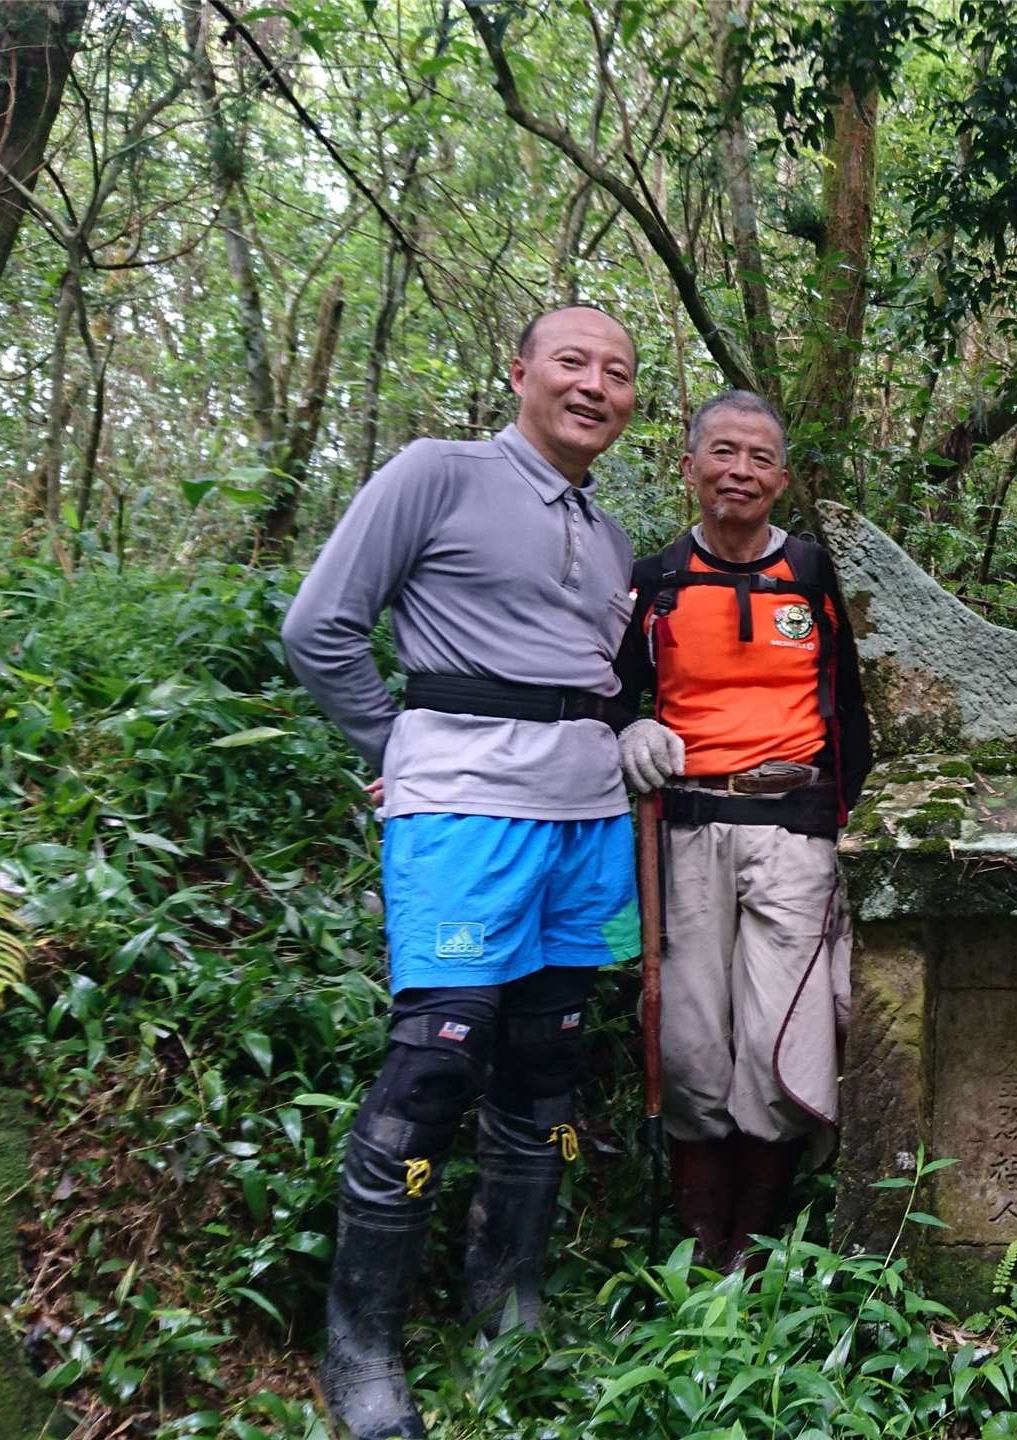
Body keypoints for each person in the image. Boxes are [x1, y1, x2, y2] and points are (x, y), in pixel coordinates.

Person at [281, 304, 642, 1440]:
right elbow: (319, 627)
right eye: (572, 361)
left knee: (550, 1059)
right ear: (521, 371)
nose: (594, 385)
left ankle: (506, 1302)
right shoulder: (436, 473)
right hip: (466, 814)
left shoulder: (611, 533)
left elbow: (598, 679)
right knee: (436, 1063)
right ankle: (361, 1349)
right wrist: (397, 749)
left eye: (617, 372)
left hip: (586, 816)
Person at [612, 389, 872, 1273]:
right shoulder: (654, 582)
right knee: (687, 1039)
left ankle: (749, 1257)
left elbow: (860, 707)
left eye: (761, 458)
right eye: (723, 452)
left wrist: (856, 823)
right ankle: (699, 1248)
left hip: (794, 833)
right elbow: (607, 692)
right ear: (689, 467)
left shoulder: (817, 578)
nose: (741, 472)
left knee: (779, 1039)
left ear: (783, 481)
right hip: (684, 831)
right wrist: (629, 728)